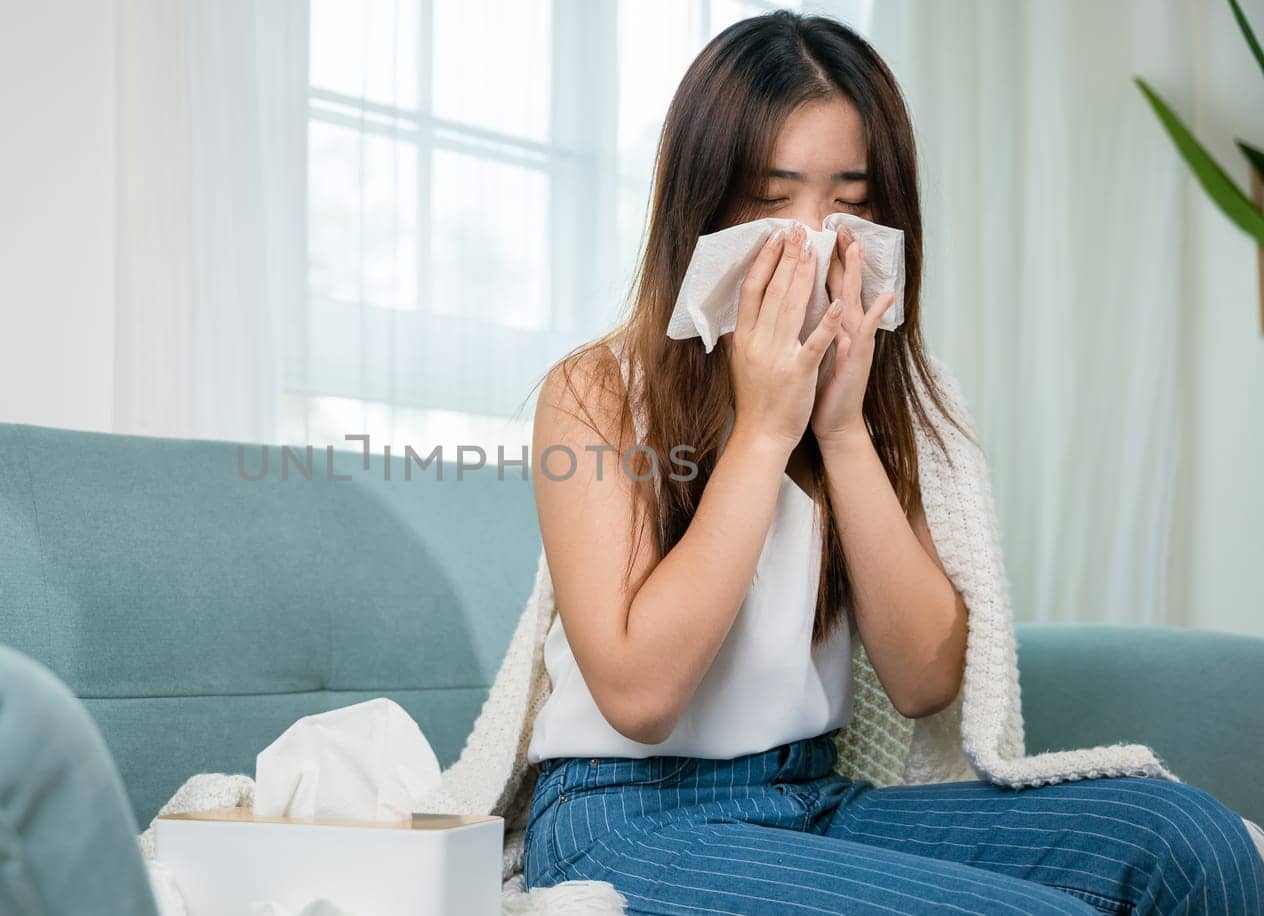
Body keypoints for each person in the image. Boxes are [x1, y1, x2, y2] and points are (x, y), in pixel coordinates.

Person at [521, 9, 1264, 914]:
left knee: (1191, 841)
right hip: (625, 814)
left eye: (851, 200)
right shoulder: (599, 392)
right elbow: (640, 695)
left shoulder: (895, 395)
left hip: (812, 797)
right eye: (770, 196)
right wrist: (761, 432)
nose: (815, 235)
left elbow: (922, 681)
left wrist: (840, 431)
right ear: (703, 203)